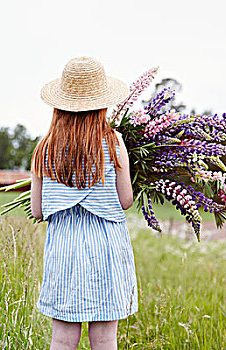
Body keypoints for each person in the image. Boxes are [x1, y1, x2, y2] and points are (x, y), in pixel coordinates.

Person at [30, 56, 138, 349]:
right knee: (104, 338)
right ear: (102, 102)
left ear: (60, 104)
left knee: (63, 339)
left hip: (63, 248)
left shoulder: (45, 147)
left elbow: (37, 210)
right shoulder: (114, 142)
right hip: (106, 247)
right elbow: (125, 200)